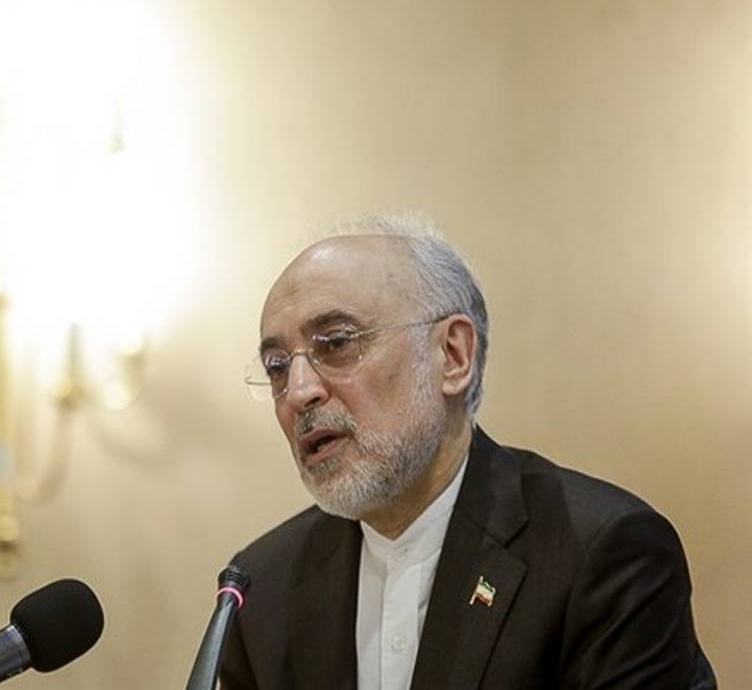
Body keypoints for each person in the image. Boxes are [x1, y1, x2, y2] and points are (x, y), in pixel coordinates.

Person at [219, 213, 715, 690]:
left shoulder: (601, 553)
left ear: (453, 356)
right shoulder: (261, 587)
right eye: (277, 366)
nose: (299, 391)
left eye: (336, 342)